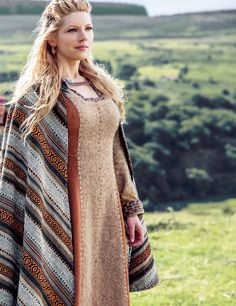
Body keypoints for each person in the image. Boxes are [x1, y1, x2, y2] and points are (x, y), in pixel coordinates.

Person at [0, 0, 159, 305]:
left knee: (108, 290)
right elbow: (19, 171)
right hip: (64, 214)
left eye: (88, 28)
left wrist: (131, 210)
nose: (83, 36)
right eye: (72, 30)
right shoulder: (35, 98)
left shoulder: (101, 86)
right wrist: (48, 218)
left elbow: (116, 153)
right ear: (52, 39)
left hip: (106, 213)